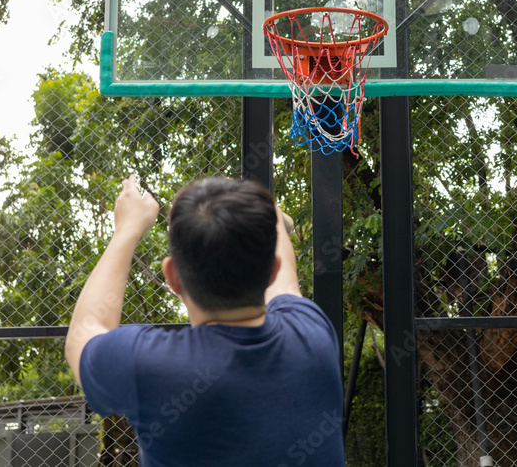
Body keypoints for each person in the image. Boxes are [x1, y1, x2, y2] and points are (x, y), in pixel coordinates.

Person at [65, 175, 344, 467]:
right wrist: (270, 218)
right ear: (271, 269)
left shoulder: (148, 364)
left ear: (172, 276)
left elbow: (84, 334)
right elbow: (285, 282)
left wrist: (127, 230)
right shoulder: (312, 333)